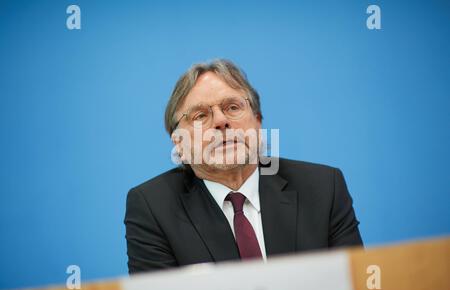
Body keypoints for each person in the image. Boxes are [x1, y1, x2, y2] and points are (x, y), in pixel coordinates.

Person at [125, 59, 363, 273]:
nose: (221, 121)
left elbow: (355, 286)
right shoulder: (152, 208)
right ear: (179, 143)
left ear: (258, 123)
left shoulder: (323, 187)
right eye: (200, 116)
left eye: (233, 107)